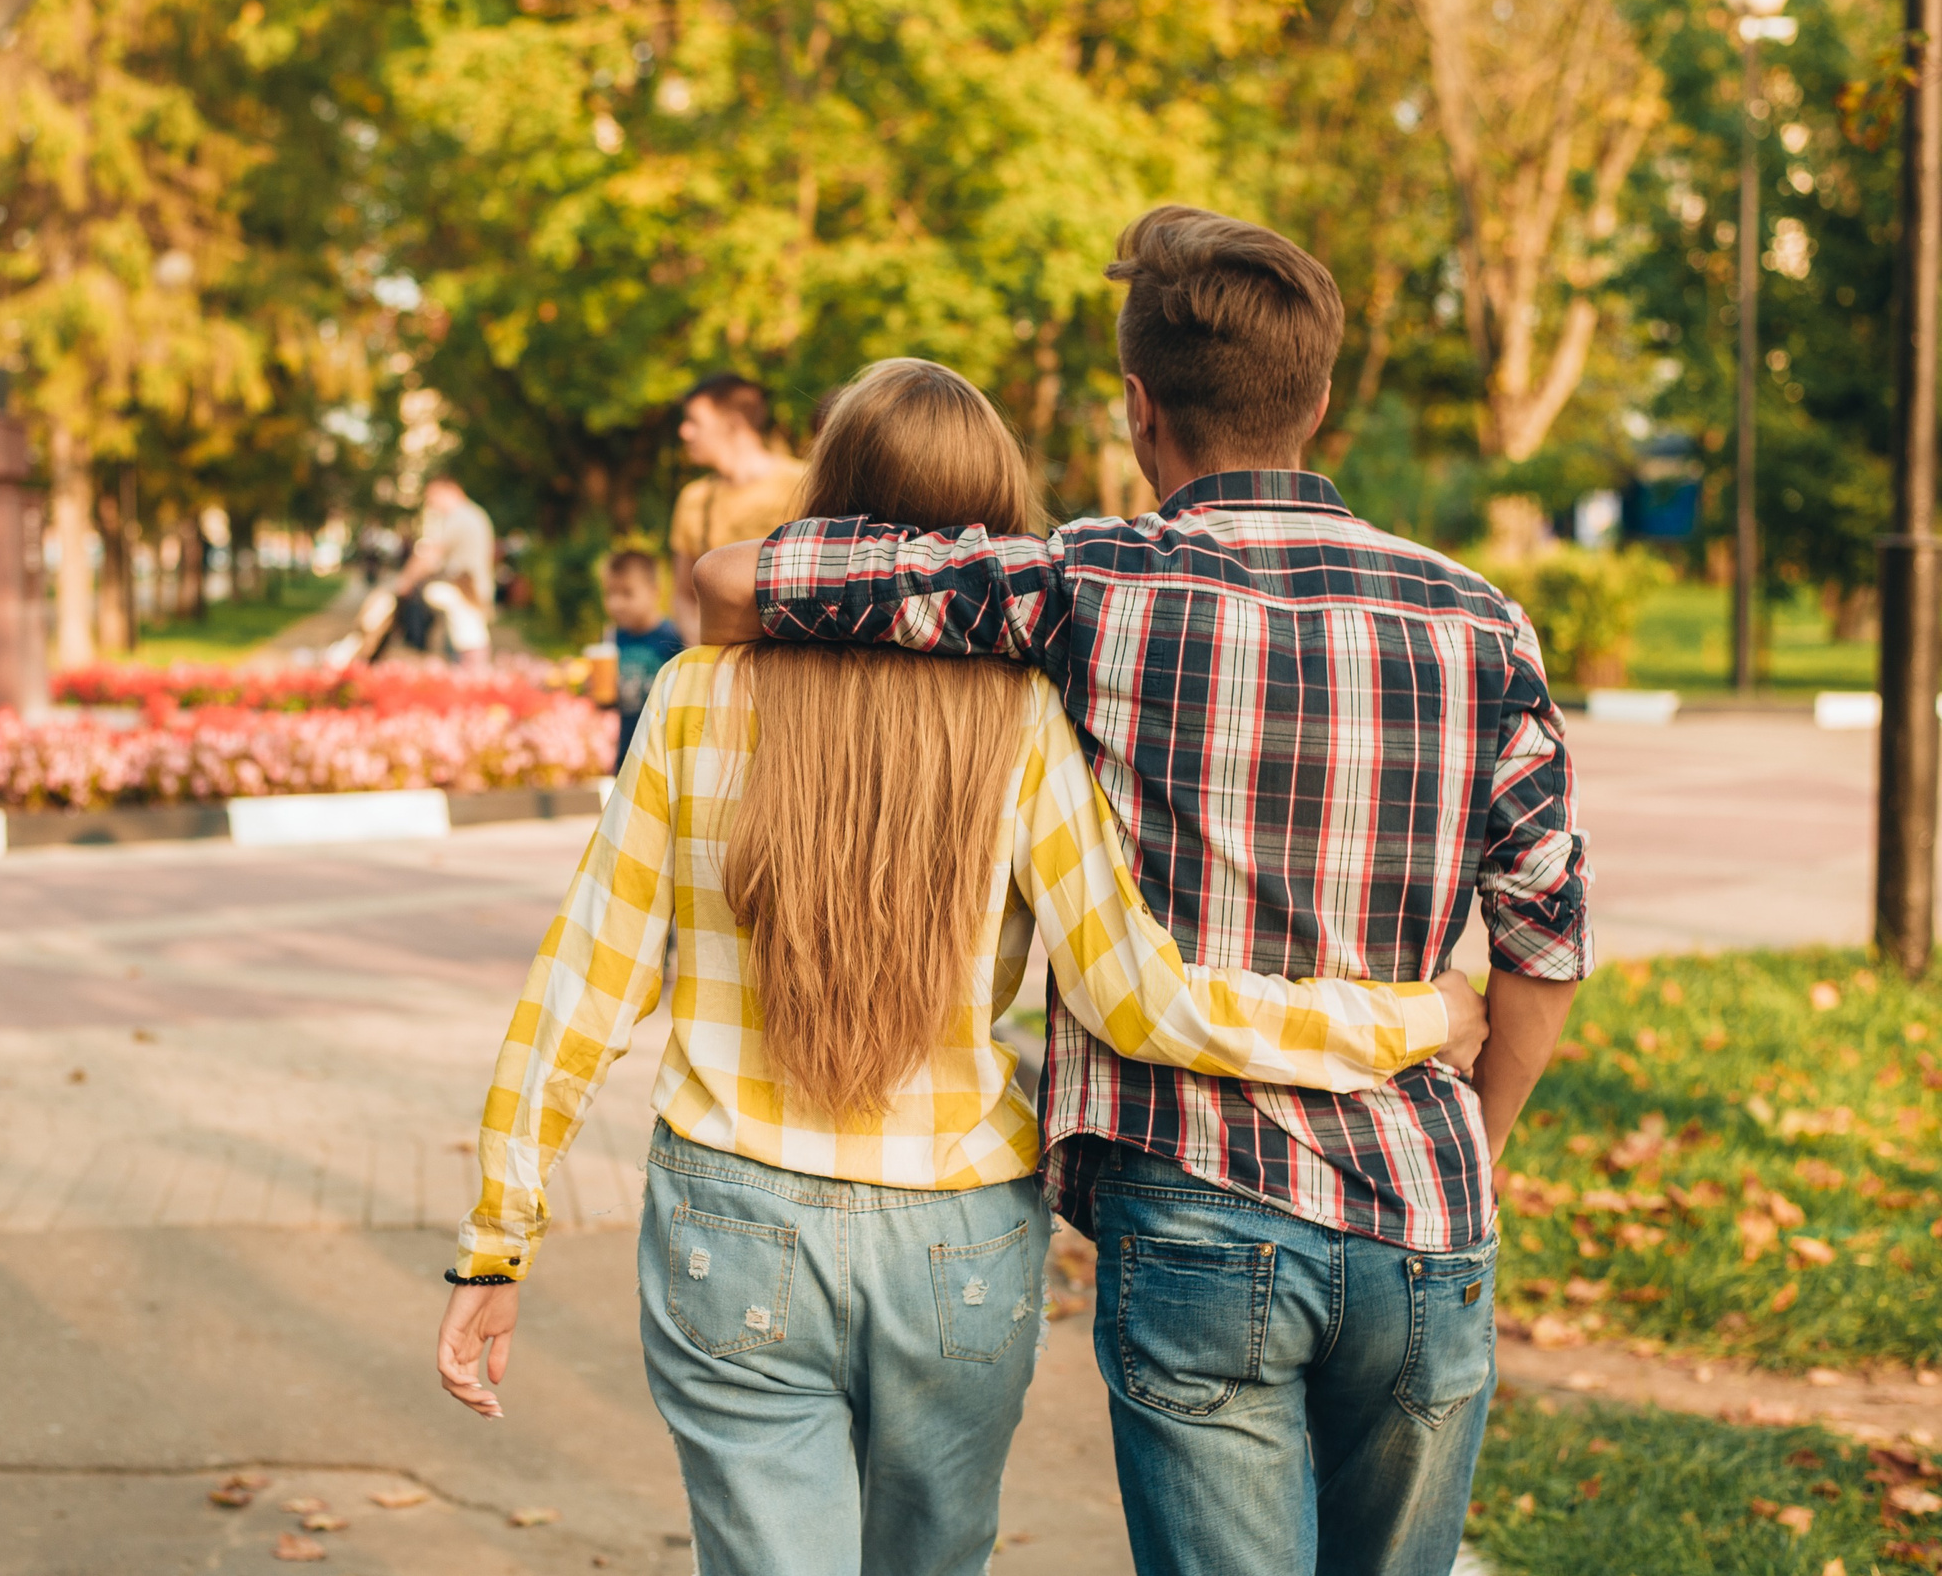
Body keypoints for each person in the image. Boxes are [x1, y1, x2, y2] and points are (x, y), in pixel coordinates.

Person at [436, 358, 1490, 1576]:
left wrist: (497, 1238)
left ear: (823, 504)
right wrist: (1411, 1016)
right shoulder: (1024, 721)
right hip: (958, 1241)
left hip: (730, 1214)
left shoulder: (689, 700)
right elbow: (1143, 1002)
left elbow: (582, 986)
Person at [696, 210, 1591, 1576]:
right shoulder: (1480, 620)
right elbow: (1543, 944)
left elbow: (734, 583)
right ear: (1321, 397)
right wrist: (1474, 1151)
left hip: (1198, 1212)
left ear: (1135, 406)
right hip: (1427, 1221)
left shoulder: (1090, 583)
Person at [670, 374, 809, 619]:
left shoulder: (803, 483)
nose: (684, 431)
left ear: (733, 423)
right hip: (715, 652)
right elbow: (683, 597)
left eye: (694, 421)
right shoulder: (694, 498)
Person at [332, 476, 496, 666]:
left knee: (468, 640)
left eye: (433, 498)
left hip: (466, 590)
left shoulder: (460, 516)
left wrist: (405, 581)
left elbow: (430, 555)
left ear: (450, 489)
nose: (432, 504)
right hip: (471, 588)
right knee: (467, 639)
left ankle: (472, 681)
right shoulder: (475, 514)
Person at [597, 550, 683, 775]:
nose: (616, 603)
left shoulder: (673, 638)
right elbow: (613, 699)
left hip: (664, 754)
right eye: (610, 593)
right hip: (628, 751)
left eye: (627, 593)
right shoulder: (613, 638)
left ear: (655, 592)